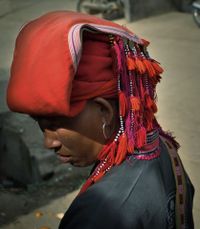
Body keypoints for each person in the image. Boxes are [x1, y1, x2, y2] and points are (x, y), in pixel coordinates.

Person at [7, 11, 194, 229]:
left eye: (55, 124)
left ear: (104, 111)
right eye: (40, 125)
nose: (49, 143)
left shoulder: (97, 215)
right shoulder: (163, 146)